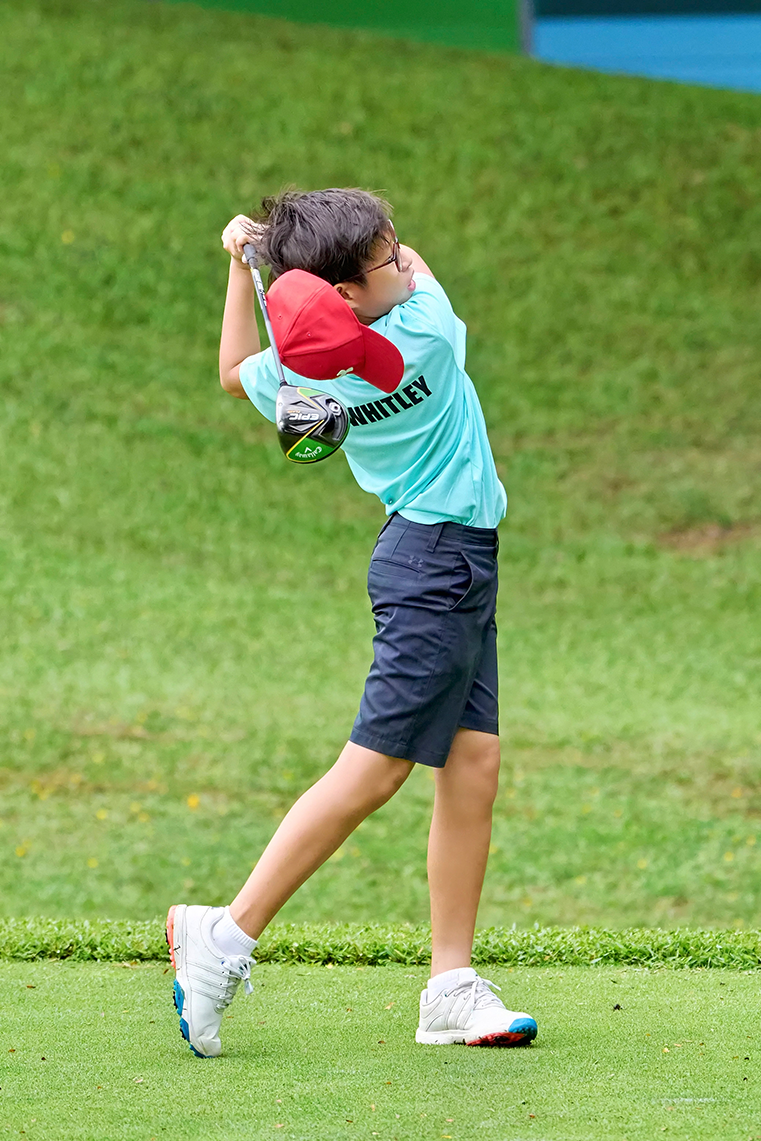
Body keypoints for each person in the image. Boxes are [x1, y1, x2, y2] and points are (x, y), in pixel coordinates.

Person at [166, 187, 537, 1058]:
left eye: (396, 245)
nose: (403, 259)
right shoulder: (429, 335)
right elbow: (412, 281)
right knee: (373, 770)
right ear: (342, 297)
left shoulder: (303, 373)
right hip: (438, 566)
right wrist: (284, 264)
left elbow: (233, 371)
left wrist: (245, 264)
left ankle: (449, 986)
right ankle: (223, 936)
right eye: (385, 259)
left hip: (439, 561)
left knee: (473, 762)